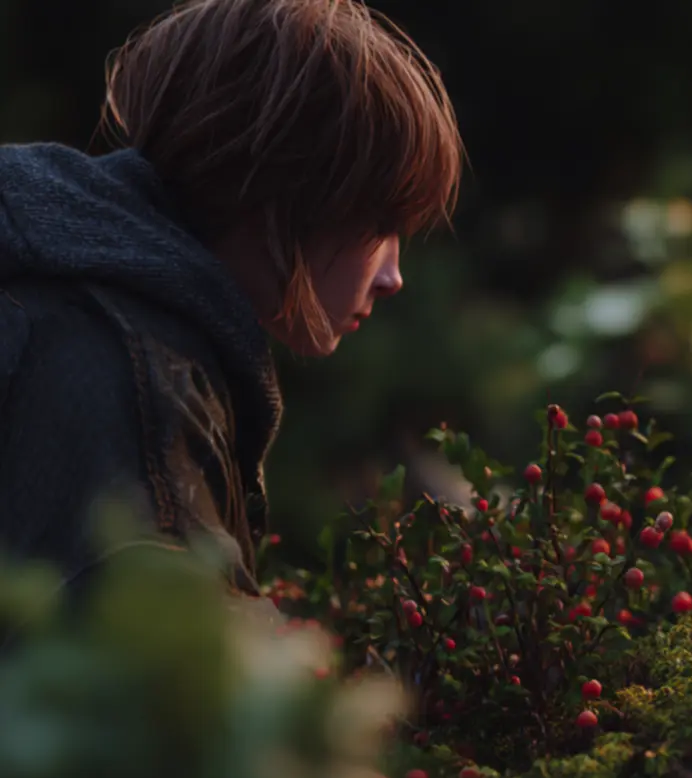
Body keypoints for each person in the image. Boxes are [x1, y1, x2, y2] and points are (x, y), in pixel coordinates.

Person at [0, 0, 464, 600]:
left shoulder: (63, 290)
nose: (392, 276)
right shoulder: (139, 391)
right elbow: (170, 676)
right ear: (286, 193)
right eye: (380, 222)